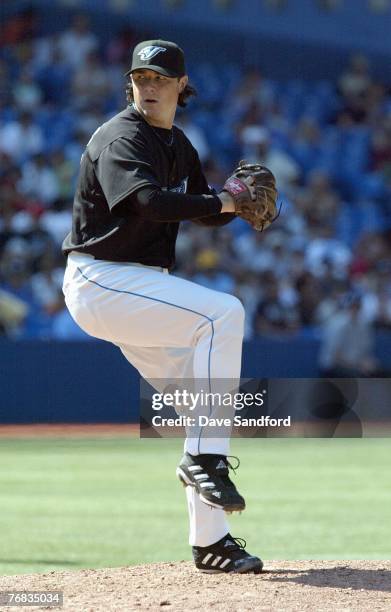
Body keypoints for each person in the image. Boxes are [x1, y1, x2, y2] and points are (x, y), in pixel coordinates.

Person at [62, 39, 263, 574]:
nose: (148, 86)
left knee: (203, 407)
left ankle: (211, 543)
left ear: (181, 85)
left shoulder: (178, 143)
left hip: (140, 287)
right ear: (130, 84)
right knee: (225, 313)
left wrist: (235, 204)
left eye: (159, 78)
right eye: (140, 78)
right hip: (102, 280)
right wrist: (220, 201)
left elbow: (202, 209)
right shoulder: (119, 136)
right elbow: (149, 203)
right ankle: (203, 460)